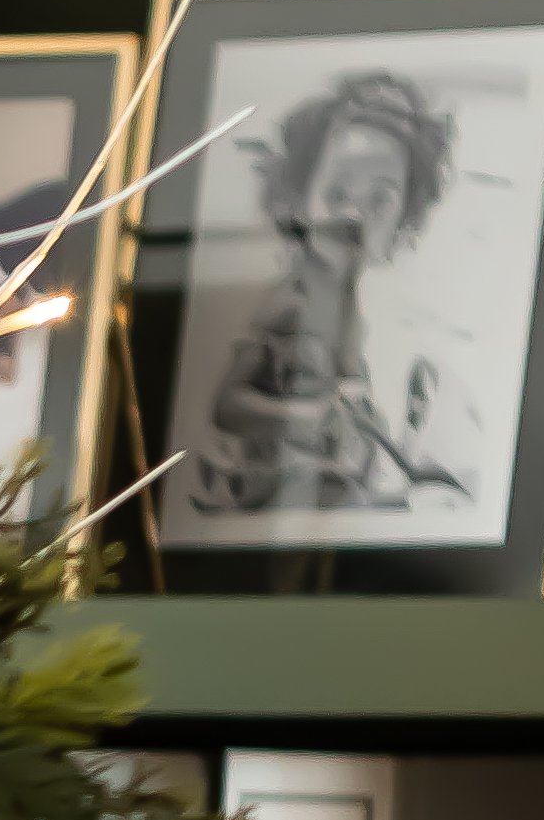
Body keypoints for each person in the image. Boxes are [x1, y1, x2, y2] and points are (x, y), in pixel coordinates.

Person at [184, 66, 480, 516]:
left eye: (379, 200)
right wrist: (308, 417)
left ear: (403, 220)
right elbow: (227, 405)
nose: (353, 215)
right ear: (299, 198)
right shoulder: (288, 303)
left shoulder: (384, 328)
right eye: (337, 192)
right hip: (275, 496)